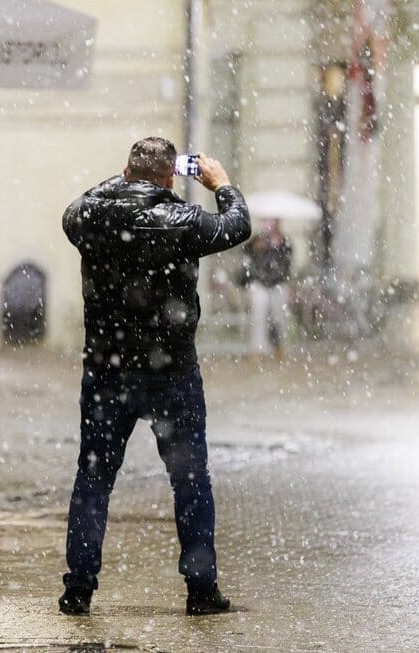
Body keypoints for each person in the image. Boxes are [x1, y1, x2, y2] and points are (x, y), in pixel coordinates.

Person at [59, 137, 251, 616]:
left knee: (94, 479)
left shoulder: (92, 216)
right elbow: (237, 225)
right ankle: (201, 590)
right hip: (172, 372)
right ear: (172, 177)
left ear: (126, 170)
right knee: (189, 480)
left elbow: (76, 206)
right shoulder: (181, 219)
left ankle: (78, 589)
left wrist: (124, 182)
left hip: (107, 371)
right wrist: (221, 184)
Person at [243, 218, 292, 359]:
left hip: (277, 284)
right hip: (259, 283)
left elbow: (287, 263)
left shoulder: (284, 241)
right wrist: (257, 248)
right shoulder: (256, 242)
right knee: (258, 316)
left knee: (278, 317)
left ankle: (279, 346)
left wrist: (279, 246)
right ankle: (257, 349)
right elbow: (248, 260)